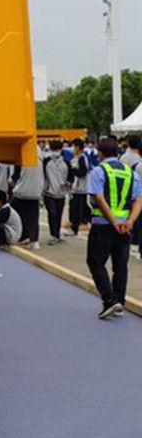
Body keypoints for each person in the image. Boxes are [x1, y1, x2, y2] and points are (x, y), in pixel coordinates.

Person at [86, 138, 142, 319]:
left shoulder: (98, 171)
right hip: (125, 226)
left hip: (103, 225)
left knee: (95, 262)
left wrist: (112, 220)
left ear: (101, 154)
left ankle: (109, 300)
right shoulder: (130, 173)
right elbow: (138, 200)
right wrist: (130, 221)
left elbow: (99, 199)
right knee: (120, 266)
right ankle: (119, 302)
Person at [9, 155, 44, 250]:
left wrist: (11, 181)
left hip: (21, 192)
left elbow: (15, 176)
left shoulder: (21, 160)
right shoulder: (40, 161)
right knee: (33, 217)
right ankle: (33, 239)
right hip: (35, 192)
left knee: (14, 213)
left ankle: (20, 235)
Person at [42, 140, 70, 244]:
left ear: (61, 150)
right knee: (52, 214)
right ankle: (53, 235)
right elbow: (42, 175)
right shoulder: (46, 161)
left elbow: (70, 176)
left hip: (61, 193)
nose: (55, 152)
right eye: (53, 150)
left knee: (59, 214)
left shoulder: (66, 163)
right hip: (49, 192)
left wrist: (68, 183)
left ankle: (57, 234)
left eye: (57, 150)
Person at [119, 135, 142, 258]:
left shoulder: (123, 158)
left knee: (132, 217)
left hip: (129, 192)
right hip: (138, 195)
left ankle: (132, 240)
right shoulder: (138, 159)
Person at [65, 138, 90, 237]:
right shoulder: (76, 158)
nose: (72, 148)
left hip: (80, 188)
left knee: (77, 209)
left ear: (78, 147)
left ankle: (74, 228)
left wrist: (73, 169)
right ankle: (82, 223)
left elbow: (82, 172)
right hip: (76, 188)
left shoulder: (82, 158)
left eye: (74, 146)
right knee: (82, 208)